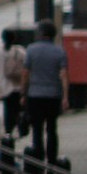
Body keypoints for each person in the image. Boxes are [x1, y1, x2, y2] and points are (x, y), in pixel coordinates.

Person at [23, 25, 70, 160]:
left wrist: (23, 93)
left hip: (35, 95)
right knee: (52, 129)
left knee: (37, 130)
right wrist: (65, 96)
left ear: (41, 33)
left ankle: (37, 162)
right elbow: (64, 75)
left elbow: (26, 73)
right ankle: (52, 161)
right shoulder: (59, 51)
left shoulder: (31, 50)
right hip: (53, 96)